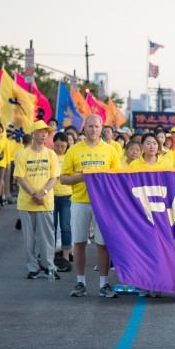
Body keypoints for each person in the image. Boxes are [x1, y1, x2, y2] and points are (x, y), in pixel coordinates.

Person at [61, 114, 120, 298]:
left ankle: (104, 283)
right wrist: (82, 177)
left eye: (96, 126)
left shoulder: (110, 150)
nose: (93, 130)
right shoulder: (74, 150)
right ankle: (80, 283)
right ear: (83, 128)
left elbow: (117, 178)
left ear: (102, 128)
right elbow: (63, 178)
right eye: (90, 126)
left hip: (103, 204)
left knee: (102, 244)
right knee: (79, 243)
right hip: (80, 202)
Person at [14, 121, 60, 279]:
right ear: (33, 134)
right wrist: (34, 194)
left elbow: (54, 177)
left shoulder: (51, 154)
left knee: (47, 237)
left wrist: (44, 192)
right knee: (29, 239)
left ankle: (49, 266)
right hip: (26, 204)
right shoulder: (23, 154)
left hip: (46, 203)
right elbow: (20, 177)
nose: (44, 134)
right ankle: (33, 267)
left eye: (46, 132)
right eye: (40, 131)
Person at [52, 132, 73, 270]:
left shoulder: (70, 156)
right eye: (57, 145)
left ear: (67, 145)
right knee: (51, 227)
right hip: (51, 196)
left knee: (65, 227)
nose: (60, 147)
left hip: (67, 196)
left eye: (62, 145)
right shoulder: (49, 155)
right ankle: (51, 255)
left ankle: (66, 255)